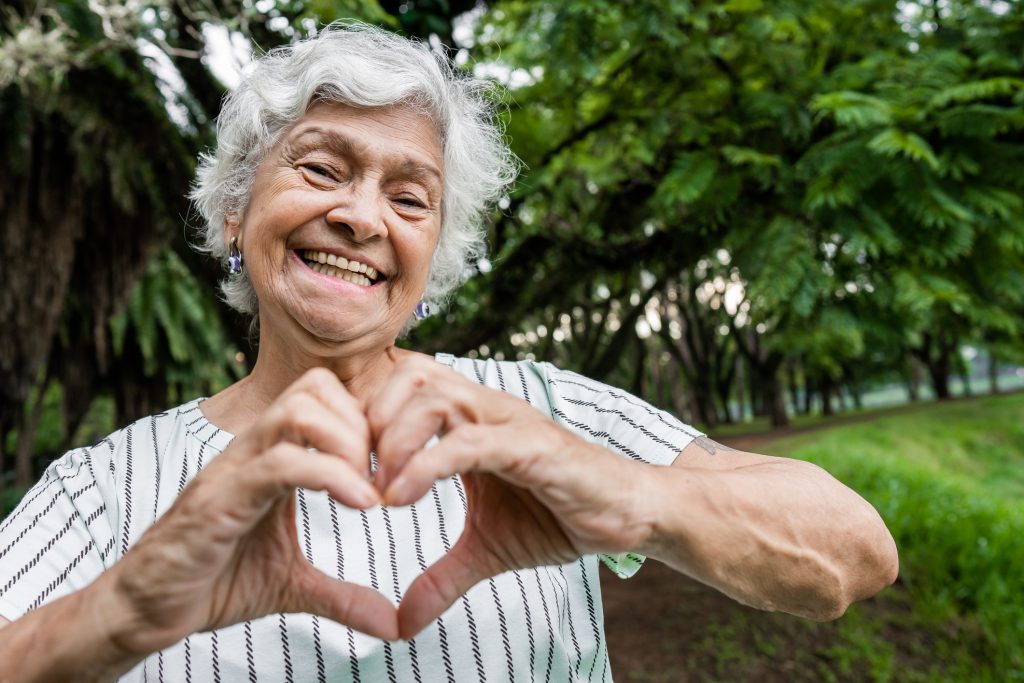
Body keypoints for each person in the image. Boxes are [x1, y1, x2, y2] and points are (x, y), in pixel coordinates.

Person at [0, 22, 898, 682]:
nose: (361, 215)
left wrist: (639, 496)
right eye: (320, 167)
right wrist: (116, 614)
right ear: (235, 208)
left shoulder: (541, 411)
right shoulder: (108, 487)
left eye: (411, 195)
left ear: (434, 259)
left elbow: (853, 552)